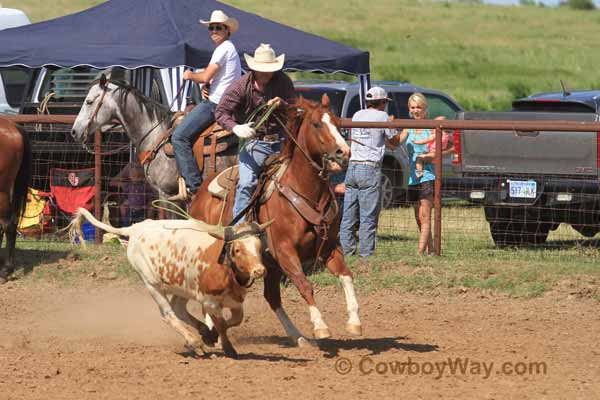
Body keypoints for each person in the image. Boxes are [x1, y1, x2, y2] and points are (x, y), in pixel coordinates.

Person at [215, 43, 296, 224]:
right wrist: (236, 128)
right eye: (262, 69)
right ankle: (239, 227)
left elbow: (295, 109)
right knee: (246, 184)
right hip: (254, 143)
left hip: (282, 142)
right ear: (254, 68)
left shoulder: (283, 82)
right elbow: (221, 112)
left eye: (269, 69)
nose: (266, 73)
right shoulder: (240, 86)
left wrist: (283, 105)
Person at [169, 10, 241, 201]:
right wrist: (207, 85)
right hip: (220, 99)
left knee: (179, 137)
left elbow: (206, 75)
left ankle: (194, 187)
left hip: (215, 104)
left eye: (218, 28)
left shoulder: (223, 49)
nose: (214, 31)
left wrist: (190, 76)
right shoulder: (229, 48)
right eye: (212, 28)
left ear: (227, 30)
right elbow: (218, 78)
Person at [339, 87, 401, 259]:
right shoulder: (383, 117)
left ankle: (346, 251)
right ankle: (366, 255)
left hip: (353, 166)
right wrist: (393, 124)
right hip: (369, 167)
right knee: (368, 215)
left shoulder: (358, 115)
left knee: (349, 214)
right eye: (385, 103)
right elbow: (394, 142)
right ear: (382, 102)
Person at [396, 93, 452, 255]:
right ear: (409, 109)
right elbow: (396, 142)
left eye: (419, 107)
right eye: (413, 107)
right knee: (418, 217)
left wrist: (433, 156)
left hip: (428, 177)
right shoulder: (408, 128)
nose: (415, 110)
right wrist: (387, 131)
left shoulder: (432, 127)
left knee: (425, 215)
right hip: (413, 178)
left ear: (425, 109)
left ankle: (419, 252)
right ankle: (431, 249)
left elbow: (451, 147)